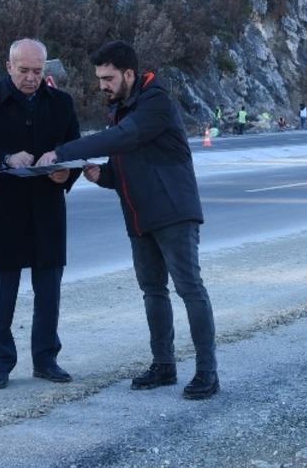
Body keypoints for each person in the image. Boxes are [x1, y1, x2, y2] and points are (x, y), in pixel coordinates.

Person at [36, 40, 219, 400]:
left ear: (129, 74)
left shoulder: (156, 102)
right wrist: (102, 175)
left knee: (189, 289)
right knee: (153, 291)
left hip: (173, 213)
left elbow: (124, 138)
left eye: (108, 78)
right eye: (99, 78)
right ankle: (163, 365)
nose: (102, 85)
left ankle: (207, 373)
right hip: (139, 215)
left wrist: (62, 151)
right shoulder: (122, 107)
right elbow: (133, 162)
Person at [0, 38, 81, 390]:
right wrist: (6, 159)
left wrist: (64, 173)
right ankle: (0, 362)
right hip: (4, 212)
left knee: (49, 293)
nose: (31, 78)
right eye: (24, 70)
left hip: (47, 209)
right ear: (9, 66)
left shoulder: (61, 103)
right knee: (0, 297)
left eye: (37, 71)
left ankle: (46, 360)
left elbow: (74, 149)